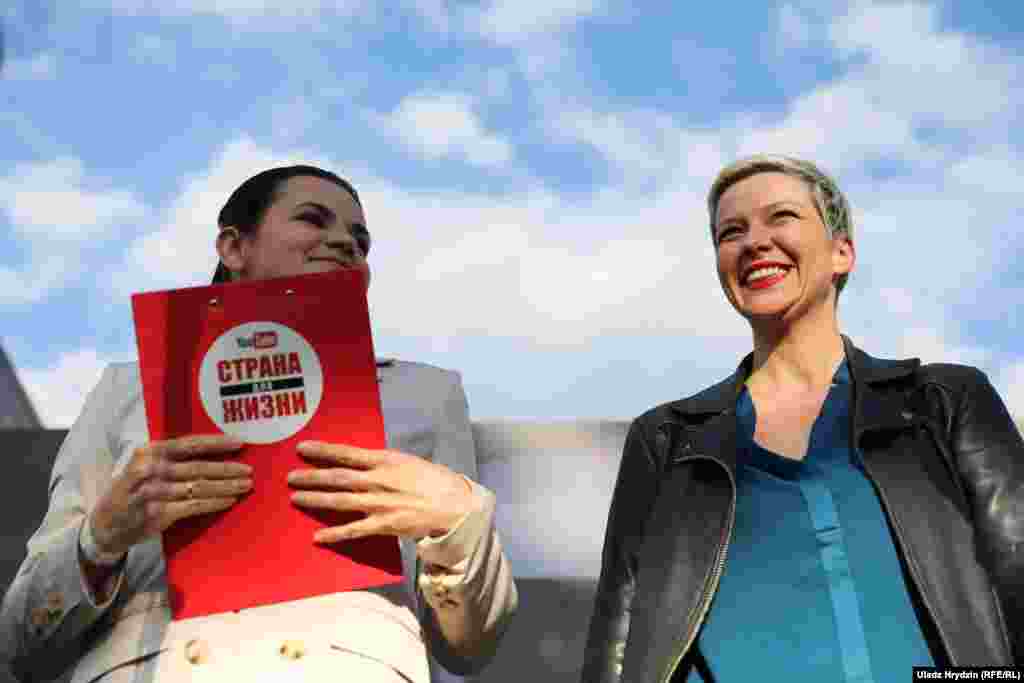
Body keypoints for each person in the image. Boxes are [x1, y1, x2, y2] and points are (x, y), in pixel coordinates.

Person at [1, 165, 517, 683]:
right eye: (313, 219)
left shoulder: (427, 395)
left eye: (361, 240)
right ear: (233, 246)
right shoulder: (125, 389)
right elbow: (19, 642)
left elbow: (469, 650)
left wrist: (461, 523)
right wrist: (102, 536)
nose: (345, 243)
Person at [581, 155, 1023, 682]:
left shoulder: (944, 401)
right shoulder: (667, 438)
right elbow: (621, 633)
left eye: (781, 217)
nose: (754, 243)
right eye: (731, 232)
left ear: (842, 253)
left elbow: (1016, 572)